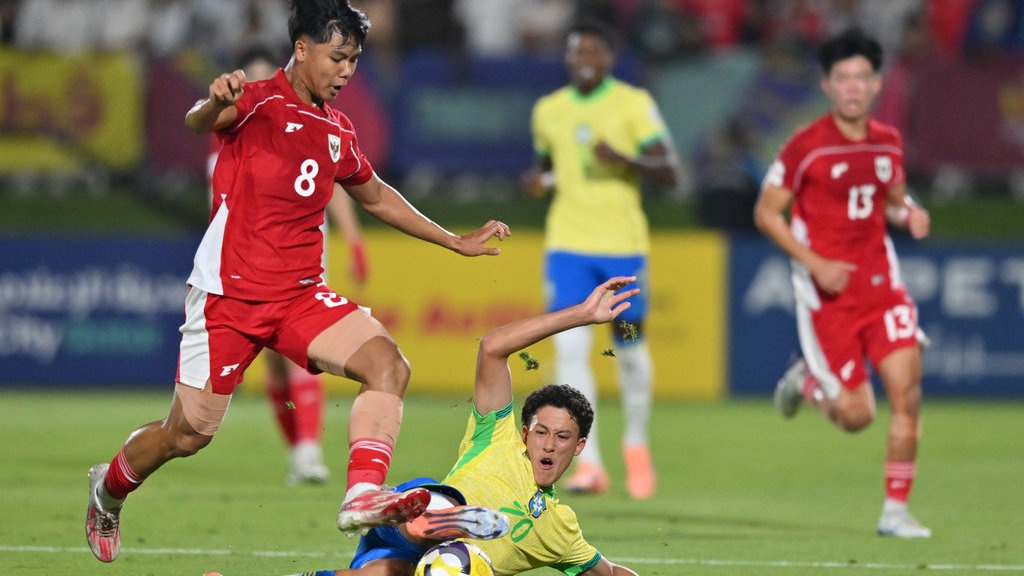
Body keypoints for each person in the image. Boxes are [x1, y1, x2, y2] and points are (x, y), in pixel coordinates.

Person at [85, 0, 511, 563]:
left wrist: (453, 240)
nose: (346, 72)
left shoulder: (338, 129)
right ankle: (107, 489)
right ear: (303, 48)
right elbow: (198, 121)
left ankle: (361, 492)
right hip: (228, 297)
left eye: (355, 61)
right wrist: (214, 99)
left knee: (388, 365)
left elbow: (377, 195)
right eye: (337, 58)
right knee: (186, 436)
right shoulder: (255, 102)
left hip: (300, 296)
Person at [205, 277, 643, 576]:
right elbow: (492, 347)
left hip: (407, 556)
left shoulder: (560, 530)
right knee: (438, 517)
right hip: (409, 509)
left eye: (562, 437)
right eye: (540, 431)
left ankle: (447, 541)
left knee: (388, 573)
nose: (548, 444)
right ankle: (449, 522)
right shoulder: (497, 438)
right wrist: (581, 315)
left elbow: (609, 573)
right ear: (524, 433)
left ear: (580, 446)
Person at [752, 28, 932, 538]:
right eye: (842, 78)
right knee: (856, 416)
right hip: (827, 296)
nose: (852, 87)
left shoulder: (888, 141)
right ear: (828, 85)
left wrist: (911, 213)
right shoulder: (805, 147)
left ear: (875, 84)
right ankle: (806, 381)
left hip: (881, 286)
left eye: (862, 77)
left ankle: (895, 513)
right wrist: (815, 262)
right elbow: (767, 214)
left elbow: (893, 199)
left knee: (907, 395)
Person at [521, 18, 680, 498]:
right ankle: (588, 464)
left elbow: (670, 171)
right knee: (569, 352)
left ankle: (635, 440)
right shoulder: (548, 110)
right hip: (568, 249)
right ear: (568, 58)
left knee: (629, 350)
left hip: (622, 254)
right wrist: (538, 181)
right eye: (577, 51)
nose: (585, 59)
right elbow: (548, 169)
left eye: (594, 51)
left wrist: (626, 160)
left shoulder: (633, 104)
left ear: (609, 58)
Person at [205, 44, 371, 486]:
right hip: (240, 266)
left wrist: (353, 239)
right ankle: (298, 451)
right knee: (267, 371)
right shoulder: (231, 125)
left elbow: (335, 181)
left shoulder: (306, 121)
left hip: (297, 262)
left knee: (303, 356)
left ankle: (310, 450)